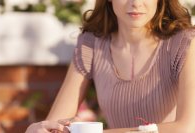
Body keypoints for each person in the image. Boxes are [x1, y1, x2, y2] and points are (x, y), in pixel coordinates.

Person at [26, 0, 195, 132]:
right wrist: (39, 128)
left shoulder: (184, 44)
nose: (135, 3)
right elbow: (57, 121)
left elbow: (186, 128)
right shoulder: (91, 43)